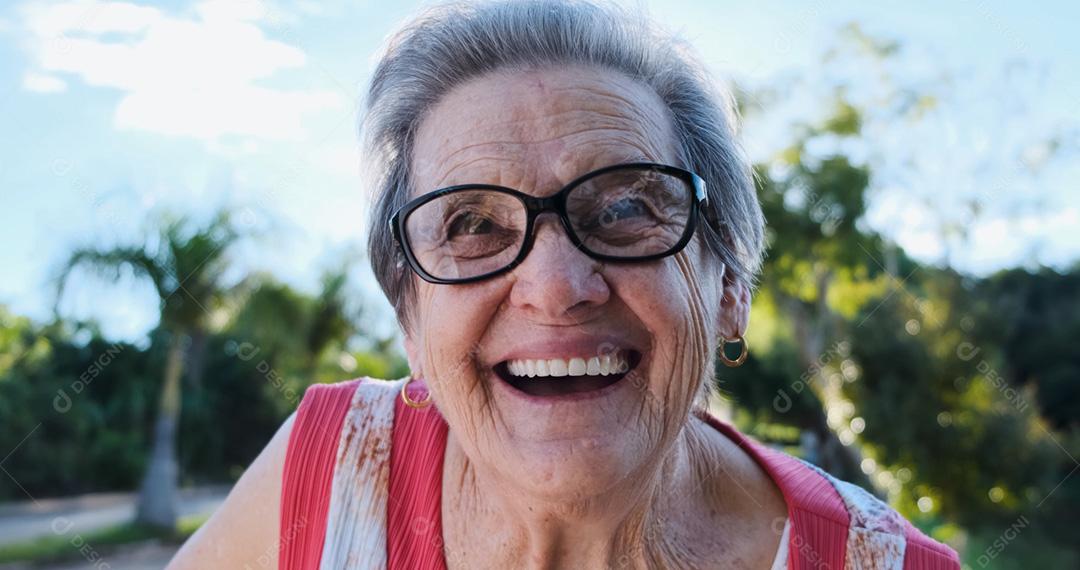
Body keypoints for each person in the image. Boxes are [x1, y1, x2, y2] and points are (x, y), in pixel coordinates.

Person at [168, 1, 961, 568]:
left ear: (727, 286)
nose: (553, 286)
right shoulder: (330, 470)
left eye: (623, 206)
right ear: (410, 319)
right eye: (471, 225)